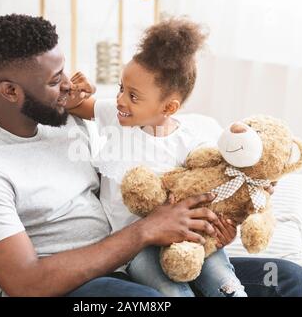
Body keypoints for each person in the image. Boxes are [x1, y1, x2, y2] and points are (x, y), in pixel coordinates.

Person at [0, 14, 302, 297]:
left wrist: (211, 217)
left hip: (140, 259)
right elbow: (26, 282)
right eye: (55, 80)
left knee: (291, 280)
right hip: (73, 287)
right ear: (10, 91)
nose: (70, 85)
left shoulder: (62, 120)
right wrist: (145, 231)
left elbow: (147, 144)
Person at [66, 18, 249, 297]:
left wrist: (225, 229)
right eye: (120, 89)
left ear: (169, 107)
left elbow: (216, 187)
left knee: (226, 285)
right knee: (172, 293)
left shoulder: (190, 142)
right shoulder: (117, 118)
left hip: (191, 240)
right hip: (136, 248)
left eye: (133, 96)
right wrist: (78, 89)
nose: (120, 100)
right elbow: (79, 105)